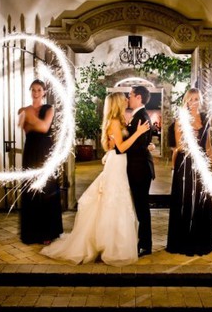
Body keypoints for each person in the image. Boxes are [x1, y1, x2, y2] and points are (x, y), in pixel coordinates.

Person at [41, 92, 150, 266]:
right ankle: (109, 245)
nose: (126, 100)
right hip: (117, 163)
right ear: (116, 103)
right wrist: (137, 133)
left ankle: (113, 242)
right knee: (112, 201)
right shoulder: (114, 122)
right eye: (123, 99)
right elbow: (121, 148)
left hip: (120, 164)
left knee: (117, 202)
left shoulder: (119, 120)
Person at [166, 88, 212, 256]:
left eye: (197, 98)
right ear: (186, 101)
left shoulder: (204, 119)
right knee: (186, 200)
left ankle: (201, 241)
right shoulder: (180, 119)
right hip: (186, 163)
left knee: (202, 201)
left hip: (202, 163)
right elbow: (179, 146)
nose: (194, 102)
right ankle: (183, 242)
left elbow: (208, 146)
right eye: (191, 99)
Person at [18, 79, 63, 245]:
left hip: (46, 152)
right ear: (30, 91)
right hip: (30, 151)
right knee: (31, 190)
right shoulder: (23, 110)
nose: (36, 92)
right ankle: (32, 233)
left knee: (47, 190)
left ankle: (48, 232)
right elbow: (25, 128)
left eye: (39, 90)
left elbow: (44, 128)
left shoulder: (49, 108)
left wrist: (29, 116)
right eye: (33, 90)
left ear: (44, 92)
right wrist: (29, 118)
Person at [124, 85, 155, 257]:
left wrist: (120, 145)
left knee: (142, 207)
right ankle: (143, 242)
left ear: (139, 98)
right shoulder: (138, 116)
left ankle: (145, 244)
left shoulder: (140, 118)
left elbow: (137, 146)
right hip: (139, 167)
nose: (128, 98)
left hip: (140, 168)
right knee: (140, 207)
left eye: (130, 95)